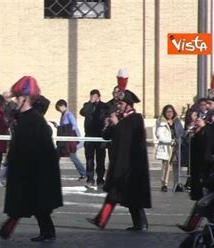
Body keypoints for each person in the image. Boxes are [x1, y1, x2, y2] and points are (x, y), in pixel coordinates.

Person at [0, 76, 63, 242]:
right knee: (26, 204)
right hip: (24, 168)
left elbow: (41, 149)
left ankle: (43, 232)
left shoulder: (35, 120)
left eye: (18, 98)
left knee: (33, 204)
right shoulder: (22, 118)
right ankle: (9, 230)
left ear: (24, 98)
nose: (16, 100)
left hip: (34, 170)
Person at [86, 82, 151, 231]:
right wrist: (109, 124)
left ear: (128, 105)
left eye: (121, 104)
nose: (118, 106)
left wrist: (117, 125)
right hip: (120, 163)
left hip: (132, 165)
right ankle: (103, 220)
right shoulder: (120, 119)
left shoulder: (136, 118)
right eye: (118, 103)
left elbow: (128, 137)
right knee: (116, 194)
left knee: (129, 196)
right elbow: (106, 136)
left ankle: (138, 223)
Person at [178, 65, 214, 232]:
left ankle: (203, 226)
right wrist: (197, 132)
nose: (207, 106)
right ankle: (193, 225)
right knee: (206, 199)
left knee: (210, 199)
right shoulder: (211, 123)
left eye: (210, 103)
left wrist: (203, 130)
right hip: (208, 166)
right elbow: (203, 143)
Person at [79, 89, 108, 187]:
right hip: (89, 136)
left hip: (100, 136)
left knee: (100, 159)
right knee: (89, 159)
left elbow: (105, 117)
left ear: (99, 97)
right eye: (91, 96)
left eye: (95, 96)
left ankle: (100, 179)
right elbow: (82, 112)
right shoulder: (87, 105)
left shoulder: (104, 106)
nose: (93, 98)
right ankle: (90, 179)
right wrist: (90, 103)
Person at [155, 105, 184, 192]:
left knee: (177, 165)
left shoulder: (178, 122)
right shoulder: (160, 122)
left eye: (171, 111)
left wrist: (179, 141)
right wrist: (170, 141)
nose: (169, 113)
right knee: (166, 166)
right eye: (167, 111)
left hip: (176, 146)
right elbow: (159, 135)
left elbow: (181, 133)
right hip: (167, 146)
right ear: (164, 112)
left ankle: (177, 183)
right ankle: (164, 184)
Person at [55, 99, 86, 180]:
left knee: (72, 156)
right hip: (65, 140)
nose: (59, 110)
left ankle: (83, 173)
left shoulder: (69, 115)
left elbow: (74, 126)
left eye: (59, 108)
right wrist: (58, 127)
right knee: (57, 154)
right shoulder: (63, 115)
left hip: (70, 140)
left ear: (63, 106)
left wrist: (65, 130)